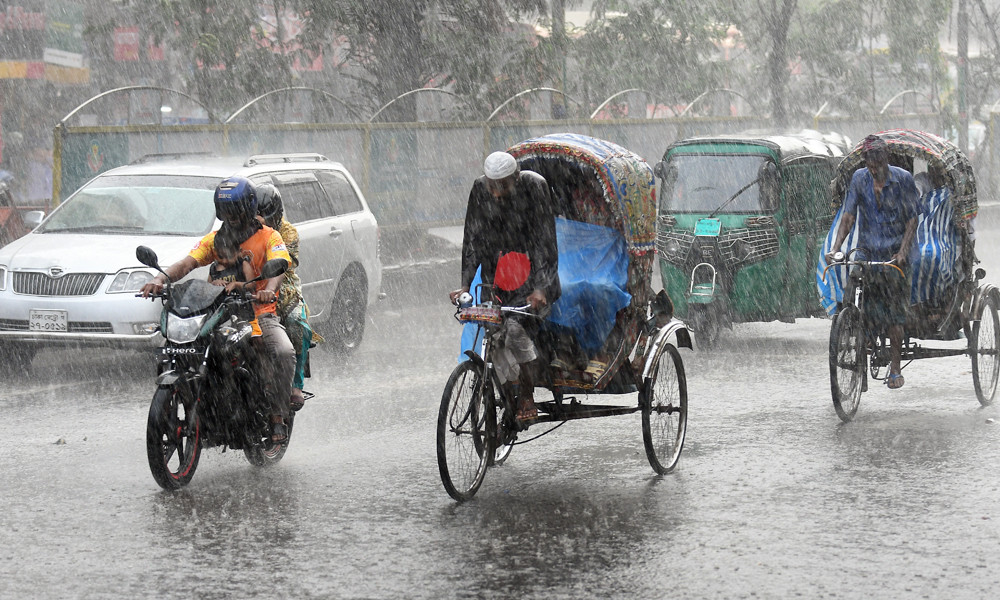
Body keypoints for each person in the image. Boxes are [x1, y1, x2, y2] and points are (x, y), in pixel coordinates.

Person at [140, 176, 296, 442]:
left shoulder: (270, 236)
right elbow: (188, 263)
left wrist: (268, 287)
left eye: (235, 209)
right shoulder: (215, 239)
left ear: (248, 207)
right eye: (225, 210)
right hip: (219, 315)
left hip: (258, 313)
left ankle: (277, 416)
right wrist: (161, 279)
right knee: (181, 349)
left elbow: (280, 262)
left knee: (282, 351)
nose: (231, 216)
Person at [449, 151, 560, 423]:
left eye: (503, 186)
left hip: (533, 275)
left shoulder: (535, 186)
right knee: (493, 333)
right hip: (496, 275)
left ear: (515, 178)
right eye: (492, 186)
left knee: (514, 329)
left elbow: (546, 243)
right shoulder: (479, 189)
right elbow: (472, 240)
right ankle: (506, 396)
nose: (497, 193)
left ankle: (526, 394)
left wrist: (542, 288)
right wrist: (464, 283)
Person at [827, 134, 919, 389]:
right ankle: (858, 351)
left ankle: (895, 368)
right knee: (853, 297)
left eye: (877, 160)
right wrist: (836, 248)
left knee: (894, 315)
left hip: (896, 254)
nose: (873, 166)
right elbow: (848, 216)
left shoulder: (903, 180)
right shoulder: (859, 179)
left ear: (886, 158)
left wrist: (902, 252)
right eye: (869, 161)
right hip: (868, 251)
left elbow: (913, 220)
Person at [256, 183, 320, 411]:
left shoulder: (288, 232)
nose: (259, 219)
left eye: (264, 215)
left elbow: (283, 264)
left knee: (296, 323)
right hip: (252, 284)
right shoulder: (244, 230)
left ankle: (296, 384)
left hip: (283, 286)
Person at [207, 227, 255, 293]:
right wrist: (213, 284)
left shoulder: (243, 264)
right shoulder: (214, 268)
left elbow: (252, 285)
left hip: (240, 301)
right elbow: (206, 288)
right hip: (221, 302)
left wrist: (236, 284)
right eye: (220, 256)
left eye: (229, 257)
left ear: (239, 251)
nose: (224, 261)